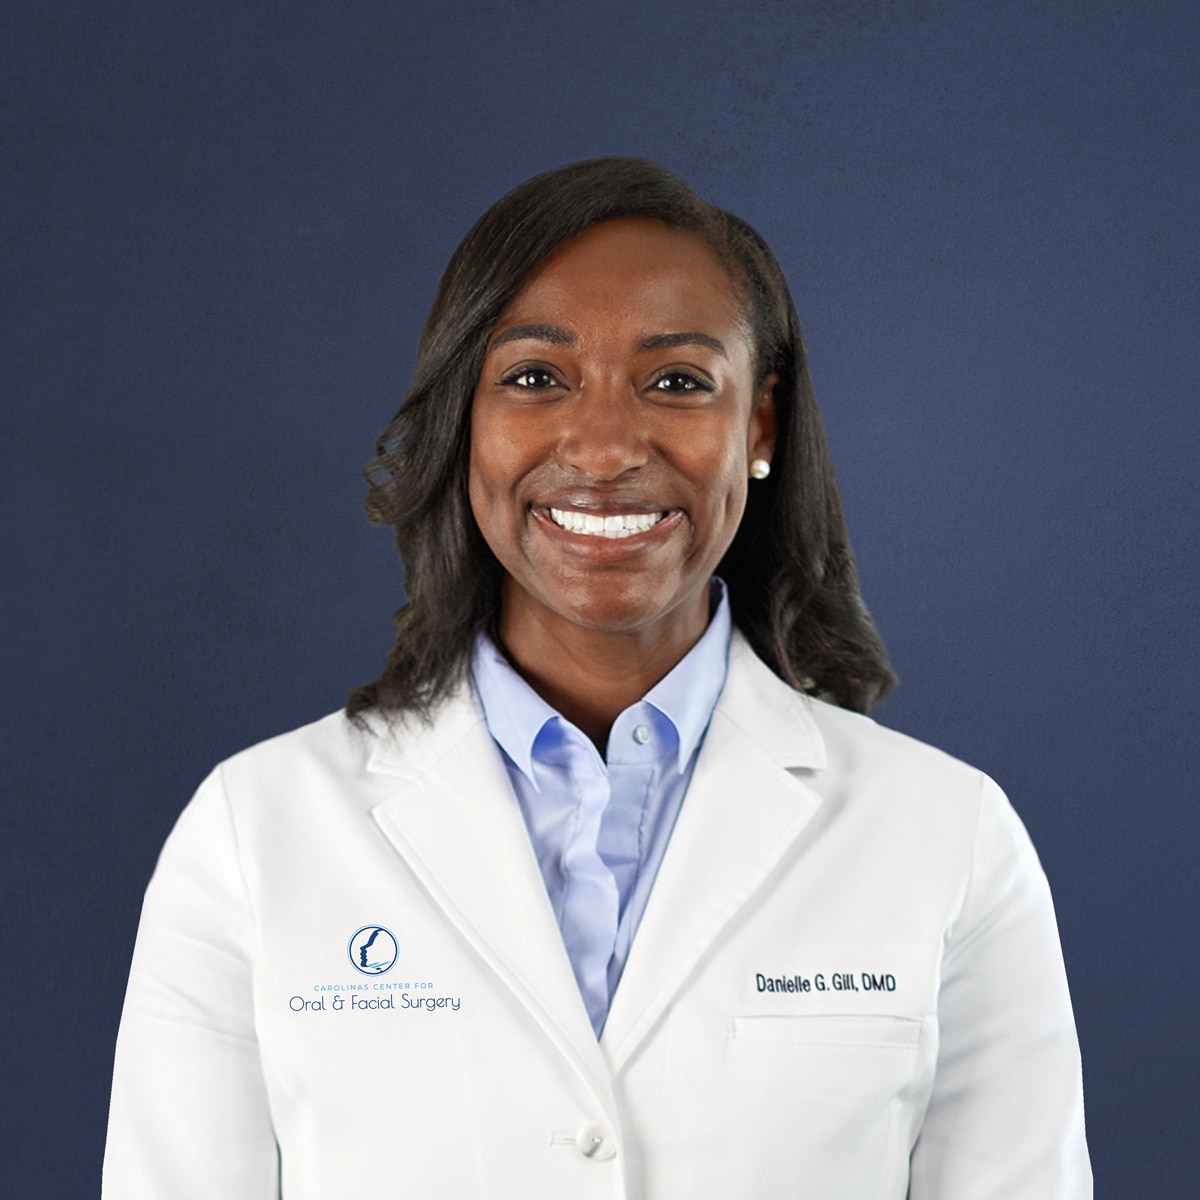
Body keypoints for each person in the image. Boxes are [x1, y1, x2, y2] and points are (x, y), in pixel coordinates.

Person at [103, 158, 1091, 1198]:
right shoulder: (255, 834)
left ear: (758, 425)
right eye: (536, 377)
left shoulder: (947, 837)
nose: (608, 447)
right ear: (465, 419)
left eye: (677, 382)